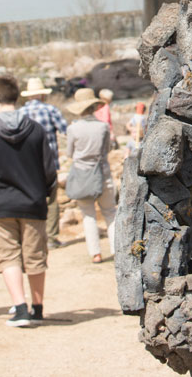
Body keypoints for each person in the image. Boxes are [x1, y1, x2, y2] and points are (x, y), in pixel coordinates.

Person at [0, 75, 56, 328]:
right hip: (33, 202)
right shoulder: (36, 130)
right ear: (17, 97)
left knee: (8, 257)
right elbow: (49, 170)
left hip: (0, 203)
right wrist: (45, 194)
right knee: (35, 256)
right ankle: (38, 309)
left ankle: (20, 308)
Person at [65, 87, 117, 263]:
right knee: (110, 212)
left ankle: (95, 253)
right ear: (94, 106)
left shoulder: (73, 129)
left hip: (82, 175)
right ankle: (117, 250)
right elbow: (107, 149)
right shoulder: (102, 127)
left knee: (88, 216)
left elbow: (69, 153)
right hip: (102, 173)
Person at [17, 77, 68, 250]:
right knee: (52, 201)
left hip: (27, 164)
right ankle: (52, 238)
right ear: (42, 95)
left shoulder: (20, 113)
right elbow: (65, 129)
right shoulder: (50, 110)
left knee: (31, 199)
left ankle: (33, 237)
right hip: (50, 162)